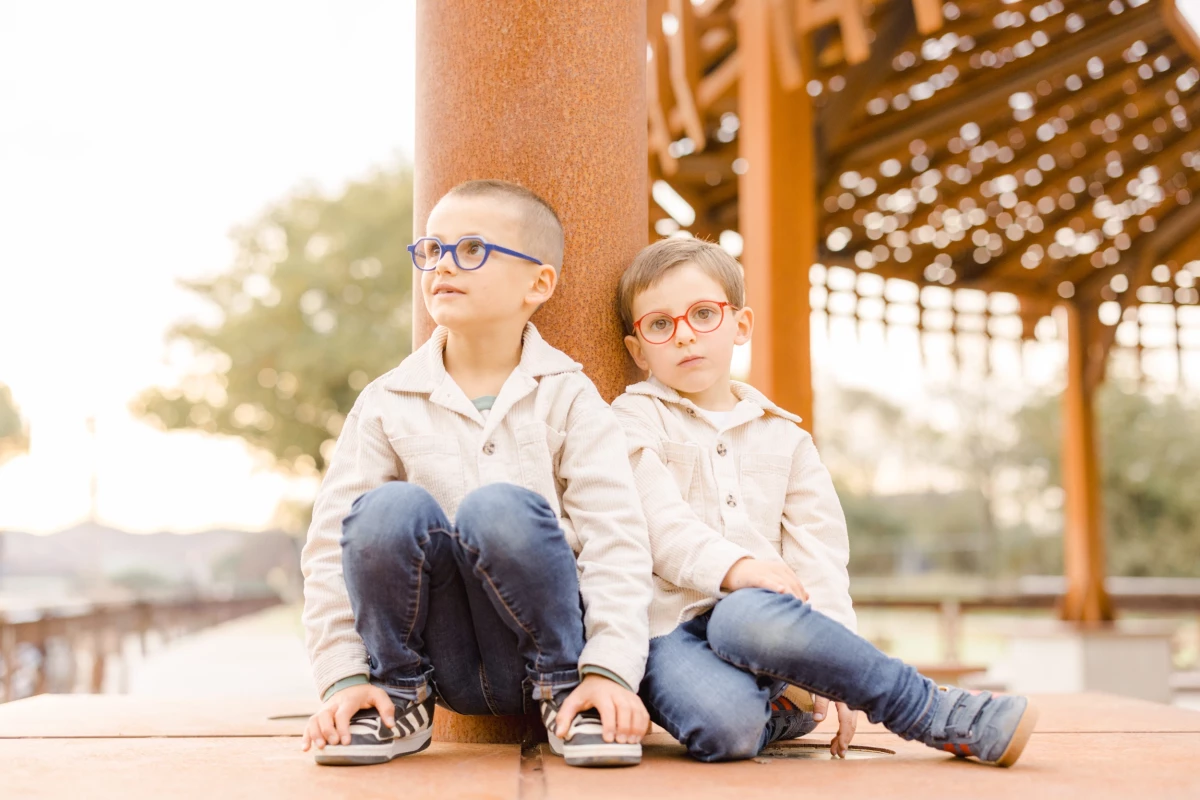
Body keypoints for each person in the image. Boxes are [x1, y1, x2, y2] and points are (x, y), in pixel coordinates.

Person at [610, 237, 1038, 766]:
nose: (685, 336)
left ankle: (935, 713)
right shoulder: (631, 422)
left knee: (741, 617)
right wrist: (739, 566)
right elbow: (659, 526)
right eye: (660, 324)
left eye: (703, 314)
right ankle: (786, 706)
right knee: (728, 732)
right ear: (637, 349)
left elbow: (820, 555)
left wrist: (839, 671)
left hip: (764, 623)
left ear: (741, 325)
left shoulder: (786, 439)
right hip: (669, 628)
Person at [300, 180, 653, 767]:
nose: (442, 266)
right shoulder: (388, 399)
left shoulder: (569, 397)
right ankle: (396, 698)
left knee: (500, 509)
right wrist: (341, 677)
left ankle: (569, 697)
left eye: (470, 250)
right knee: (384, 511)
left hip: (546, 652)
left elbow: (616, 538)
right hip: (441, 663)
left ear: (538, 283)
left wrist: (609, 671)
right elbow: (327, 551)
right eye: (431, 250)